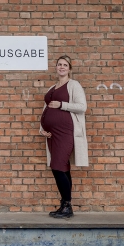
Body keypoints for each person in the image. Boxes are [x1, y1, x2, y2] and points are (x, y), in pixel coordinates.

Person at [39, 55, 88, 219]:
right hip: (52, 134)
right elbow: (45, 109)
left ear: (69, 68)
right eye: (59, 64)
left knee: (57, 166)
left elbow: (82, 107)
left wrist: (62, 105)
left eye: (65, 65)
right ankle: (65, 205)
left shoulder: (74, 85)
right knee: (63, 168)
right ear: (56, 67)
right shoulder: (52, 88)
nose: (61, 67)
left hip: (66, 132)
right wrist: (42, 129)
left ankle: (67, 204)